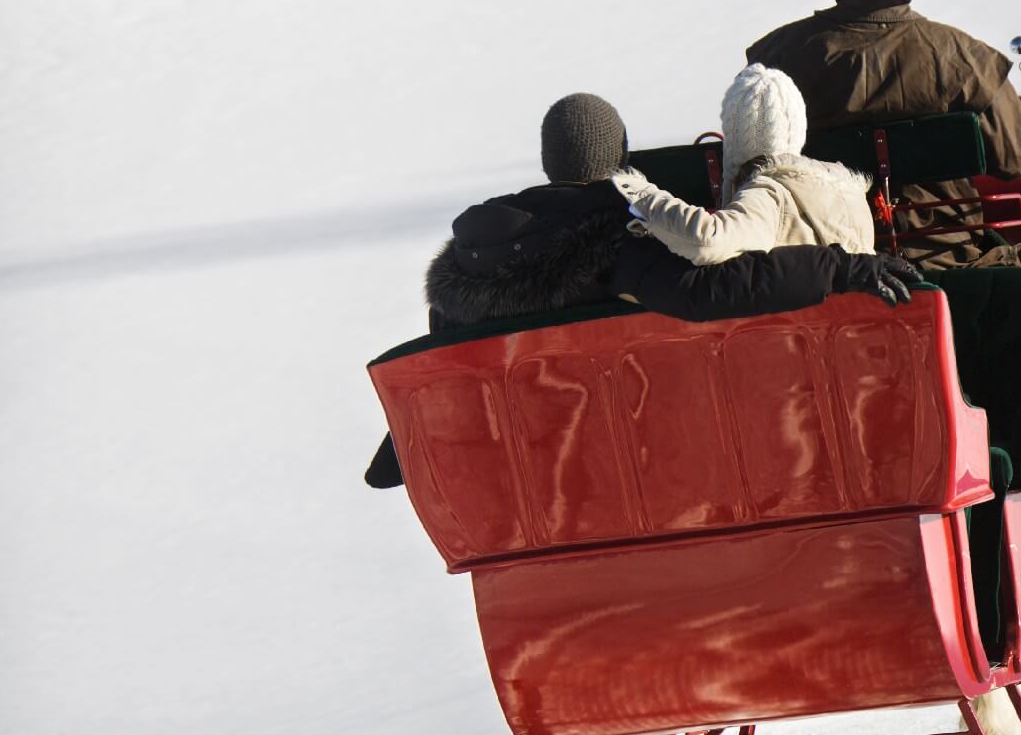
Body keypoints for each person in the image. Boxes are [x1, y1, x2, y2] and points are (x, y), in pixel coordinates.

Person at [366, 92, 915, 488]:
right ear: (619, 160)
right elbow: (710, 292)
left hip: (528, 465)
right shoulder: (614, 237)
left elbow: (444, 365)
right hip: (626, 454)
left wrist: (401, 453)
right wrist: (839, 268)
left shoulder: (470, 261)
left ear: (547, 161)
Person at [747, 0, 1021, 270]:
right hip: (949, 263)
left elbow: (748, 165)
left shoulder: (775, 58)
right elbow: (1017, 158)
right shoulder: (967, 60)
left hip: (820, 268)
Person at [613, 64, 875, 266]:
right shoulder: (848, 193)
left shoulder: (767, 195)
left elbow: (707, 240)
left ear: (736, 135)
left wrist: (642, 195)